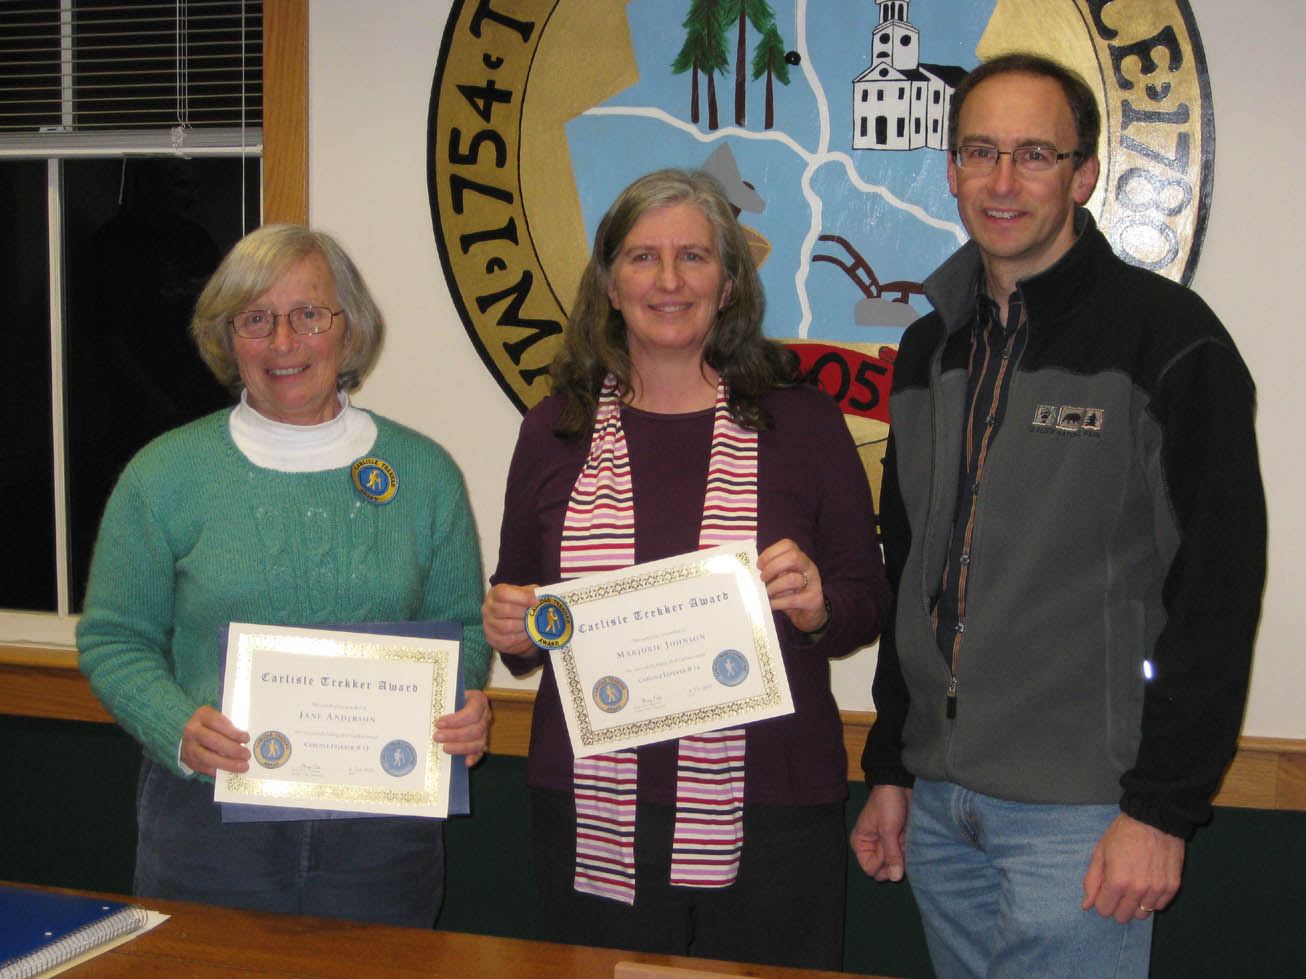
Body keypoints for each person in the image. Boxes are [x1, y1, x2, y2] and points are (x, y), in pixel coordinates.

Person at [850, 53, 1266, 978]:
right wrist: (891, 766)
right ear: (951, 169)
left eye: (1034, 154)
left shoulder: (1170, 342)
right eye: (980, 152)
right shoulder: (926, 350)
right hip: (937, 806)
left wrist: (1162, 806)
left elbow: (1218, 589)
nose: (1002, 183)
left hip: (1084, 816)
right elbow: (910, 572)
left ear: (1084, 175)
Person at [482, 169, 889, 969]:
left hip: (770, 802)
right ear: (608, 282)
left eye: (694, 257)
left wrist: (816, 604)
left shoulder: (802, 421)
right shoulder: (552, 430)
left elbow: (867, 599)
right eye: (642, 257)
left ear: (730, 282)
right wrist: (510, 624)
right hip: (591, 807)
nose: (668, 281)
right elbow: (523, 616)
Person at [77, 224, 490, 927]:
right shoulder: (165, 474)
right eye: (256, 319)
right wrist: (175, 725)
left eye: (308, 314)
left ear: (349, 327)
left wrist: (463, 701)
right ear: (227, 336)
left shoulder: (424, 474)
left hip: (382, 835)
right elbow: (113, 638)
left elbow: (466, 629)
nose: (283, 343)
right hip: (207, 825)